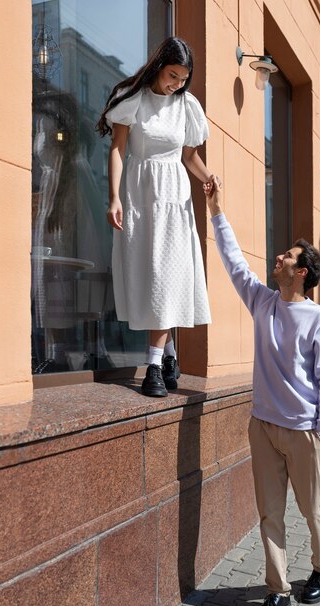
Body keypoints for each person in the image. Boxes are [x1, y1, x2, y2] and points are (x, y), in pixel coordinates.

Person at [204, 176, 320, 606]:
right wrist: (217, 210)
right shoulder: (263, 303)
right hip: (262, 426)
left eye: (288, 256)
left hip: (303, 431)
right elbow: (233, 262)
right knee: (270, 514)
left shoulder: (319, 319)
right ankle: (278, 590)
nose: (278, 257)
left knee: (313, 508)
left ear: (301, 272)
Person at [97, 37, 219, 397]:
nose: (177, 84)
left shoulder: (187, 106)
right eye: (172, 75)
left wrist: (208, 176)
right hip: (140, 196)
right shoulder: (133, 97)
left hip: (174, 198)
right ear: (158, 66)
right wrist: (114, 197)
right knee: (149, 275)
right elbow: (118, 149)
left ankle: (152, 364)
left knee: (167, 274)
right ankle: (168, 354)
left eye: (183, 78)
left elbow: (189, 156)